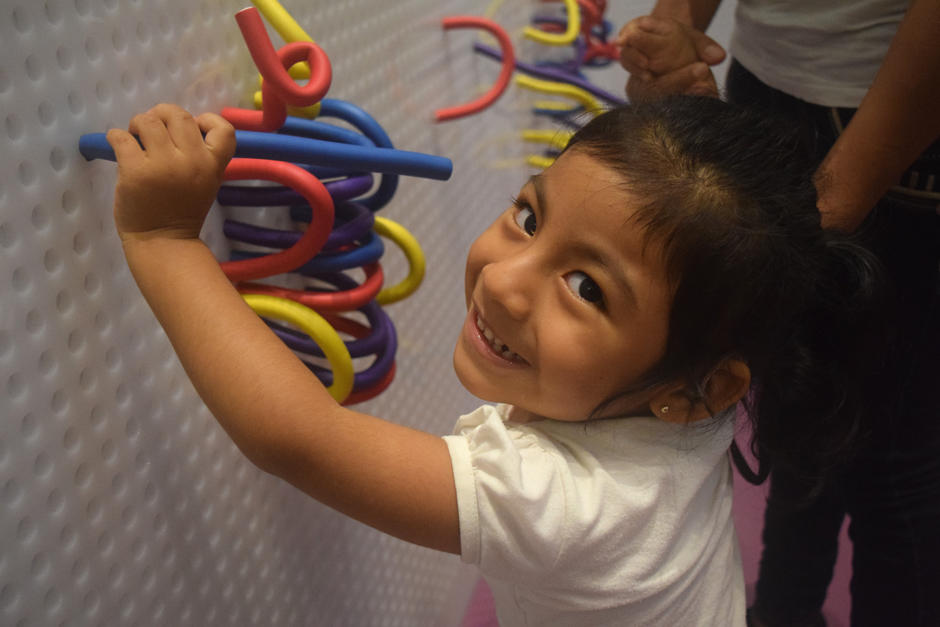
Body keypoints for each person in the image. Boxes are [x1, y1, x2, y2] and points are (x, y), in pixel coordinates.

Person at [103, 96, 881, 625]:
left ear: (701, 389)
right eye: (529, 216)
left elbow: (299, 437)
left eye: (586, 287)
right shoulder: (688, 393)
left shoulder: (566, 502)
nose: (505, 282)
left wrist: (164, 240)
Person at [617, 2, 940, 626]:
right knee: (796, 410)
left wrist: (813, 222)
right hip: (765, 84)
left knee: (894, 462)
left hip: (897, 111)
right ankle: (783, 612)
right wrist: (672, 27)